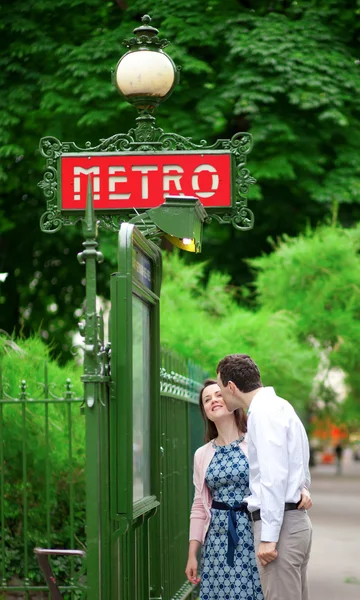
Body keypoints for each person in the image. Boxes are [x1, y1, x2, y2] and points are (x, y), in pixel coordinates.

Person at [185, 379, 311, 600]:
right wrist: (192, 554)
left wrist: (303, 488)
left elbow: (282, 469)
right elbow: (199, 505)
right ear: (204, 411)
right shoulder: (202, 455)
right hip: (217, 541)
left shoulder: (253, 440)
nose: (213, 400)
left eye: (218, 395)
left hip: (254, 532)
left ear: (231, 398)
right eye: (207, 399)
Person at [216, 354, 313, 600]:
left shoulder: (263, 413)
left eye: (220, 389)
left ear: (232, 387)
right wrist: (303, 487)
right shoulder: (281, 406)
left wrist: (269, 538)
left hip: (281, 529)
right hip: (294, 522)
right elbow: (299, 463)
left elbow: (272, 477)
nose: (220, 395)